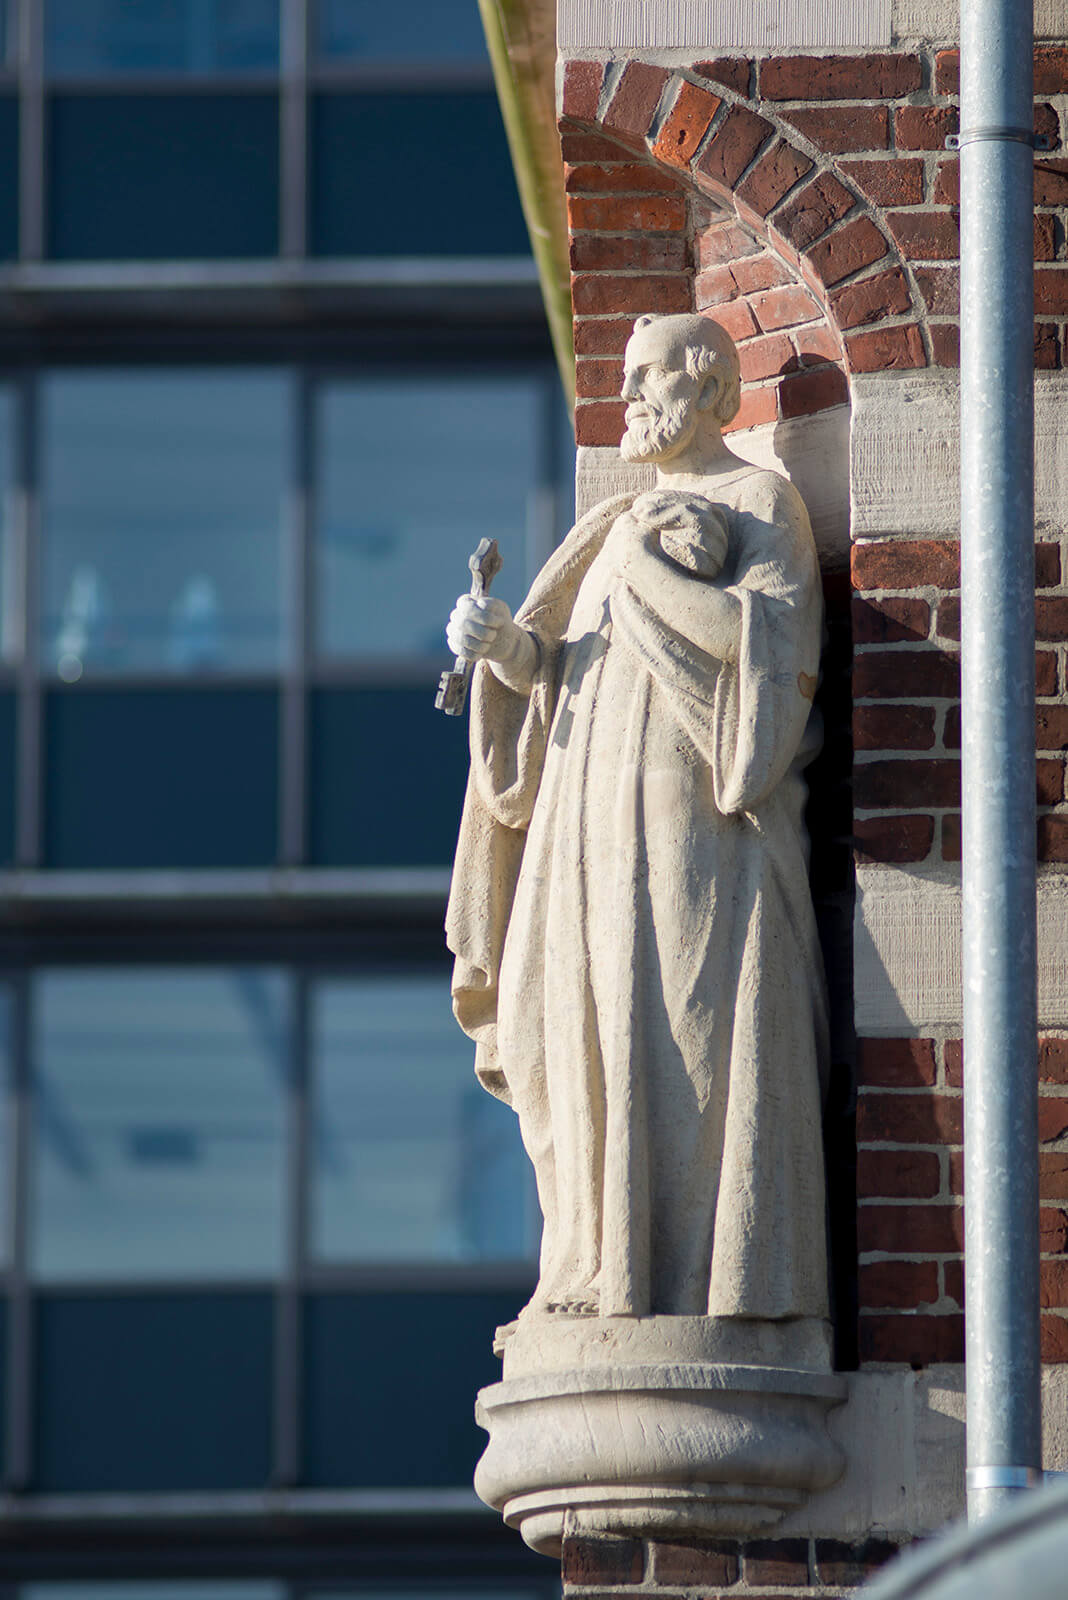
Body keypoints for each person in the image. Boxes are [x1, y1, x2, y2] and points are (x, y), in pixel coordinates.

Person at [444, 311, 829, 1324]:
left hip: (694, 834)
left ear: (707, 388)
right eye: (623, 378)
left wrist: (654, 574)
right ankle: (586, 1258)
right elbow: (559, 671)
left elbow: (771, 666)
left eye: (648, 376)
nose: (630, 397)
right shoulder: (611, 527)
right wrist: (505, 649)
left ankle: (685, 1282)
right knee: (554, 1028)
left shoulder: (759, 501)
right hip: (583, 823)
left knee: (682, 1040)